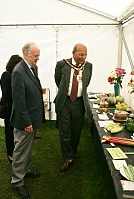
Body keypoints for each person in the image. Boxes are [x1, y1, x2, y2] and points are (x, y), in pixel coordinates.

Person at [10, 42, 45, 198]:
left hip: (32, 117)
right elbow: (19, 101)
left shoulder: (32, 67)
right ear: (26, 54)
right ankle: (17, 181)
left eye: (38, 55)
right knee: (20, 151)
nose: (38, 58)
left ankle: (26, 170)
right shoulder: (18, 72)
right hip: (24, 120)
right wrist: (26, 122)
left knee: (28, 148)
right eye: (35, 55)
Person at [54, 43, 93, 172]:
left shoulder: (88, 67)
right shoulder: (62, 64)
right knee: (65, 130)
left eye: (85, 54)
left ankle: (73, 149)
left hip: (79, 102)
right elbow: (57, 80)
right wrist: (66, 91)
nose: (83, 57)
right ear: (73, 53)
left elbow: (87, 82)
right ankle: (68, 157)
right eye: (81, 54)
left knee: (76, 129)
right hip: (65, 101)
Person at [0, 55, 22, 163]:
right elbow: (7, 93)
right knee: (9, 131)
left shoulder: (14, 74)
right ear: (13, 64)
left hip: (14, 107)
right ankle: (10, 153)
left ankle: (15, 152)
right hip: (8, 108)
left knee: (15, 131)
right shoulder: (6, 75)